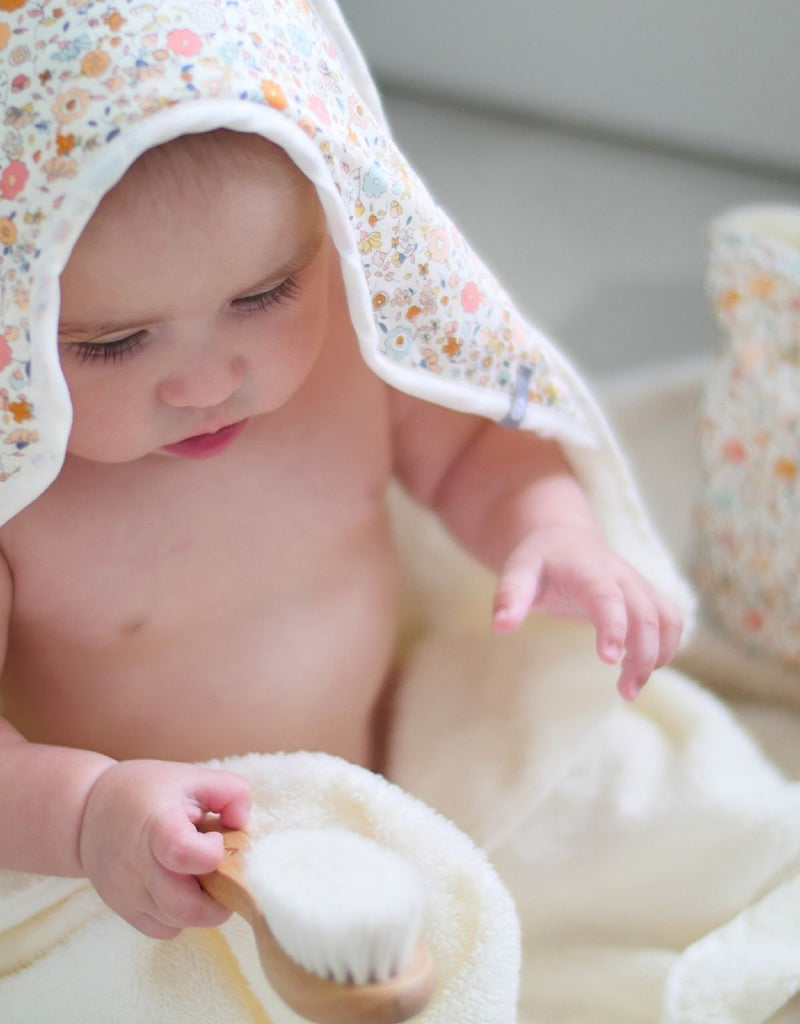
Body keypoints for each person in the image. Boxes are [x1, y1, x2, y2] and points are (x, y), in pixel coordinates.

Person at [0, 0, 683, 945]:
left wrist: (550, 527)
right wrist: (84, 814)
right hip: (134, 888)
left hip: (370, 803)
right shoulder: (18, 501)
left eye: (264, 293)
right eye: (111, 343)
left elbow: (480, 451)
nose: (209, 383)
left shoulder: (355, 361)